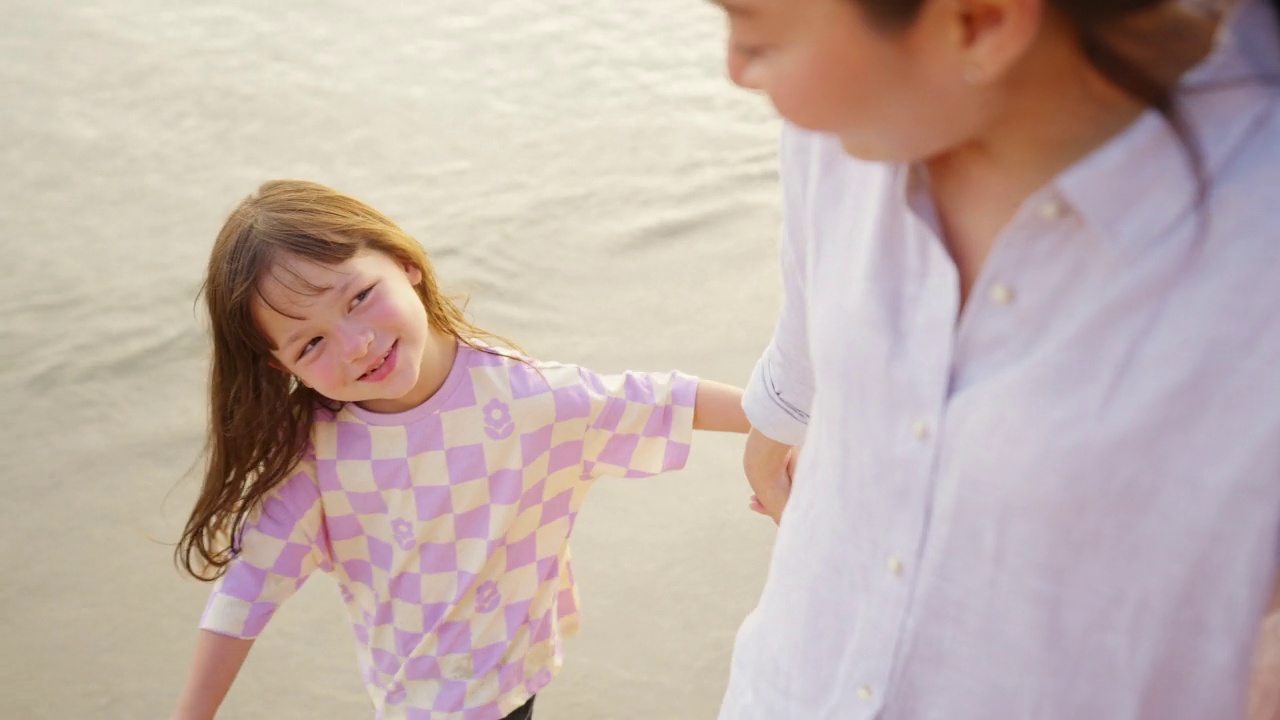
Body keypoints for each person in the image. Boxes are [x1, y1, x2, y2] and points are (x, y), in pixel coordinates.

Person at [712, 0, 1280, 717]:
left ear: (981, 23)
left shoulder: (1255, 262)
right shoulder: (841, 129)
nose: (736, 69)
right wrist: (782, 415)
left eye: (756, 35)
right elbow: (810, 315)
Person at [169, 179, 749, 720]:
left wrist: (794, 425)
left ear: (406, 263)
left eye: (360, 297)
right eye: (312, 342)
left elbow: (663, 400)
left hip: (507, 677)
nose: (357, 345)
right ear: (283, 366)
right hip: (411, 696)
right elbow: (247, 592)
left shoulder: (528, 399)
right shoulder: (317, 458)